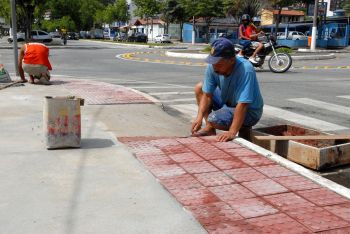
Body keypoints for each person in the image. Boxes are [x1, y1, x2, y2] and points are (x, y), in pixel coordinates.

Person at [191, 38, 264, 142]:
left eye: (219, 64)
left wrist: (232, 132)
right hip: (228, 103)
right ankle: (209, 128)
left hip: (249, 111)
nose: (215, 68)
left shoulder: (245, 69)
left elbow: (243, 104)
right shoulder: (213, 67)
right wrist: (199, 118)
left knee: (214, 119)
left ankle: (243, 127)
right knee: (200, 88)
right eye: (213, 63)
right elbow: (207, 95)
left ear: (232, 60)